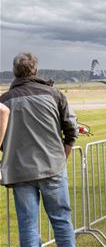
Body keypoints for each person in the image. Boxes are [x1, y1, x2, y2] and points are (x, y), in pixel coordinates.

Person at [0, 52, 78, 246]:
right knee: (61, 221)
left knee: (27, 226)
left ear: (14, 72)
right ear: (35, 70)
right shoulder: (55, 94)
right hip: (53, 167)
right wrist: (63, 157)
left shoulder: (5, 99)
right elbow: (71, 130)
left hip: (21, 172)